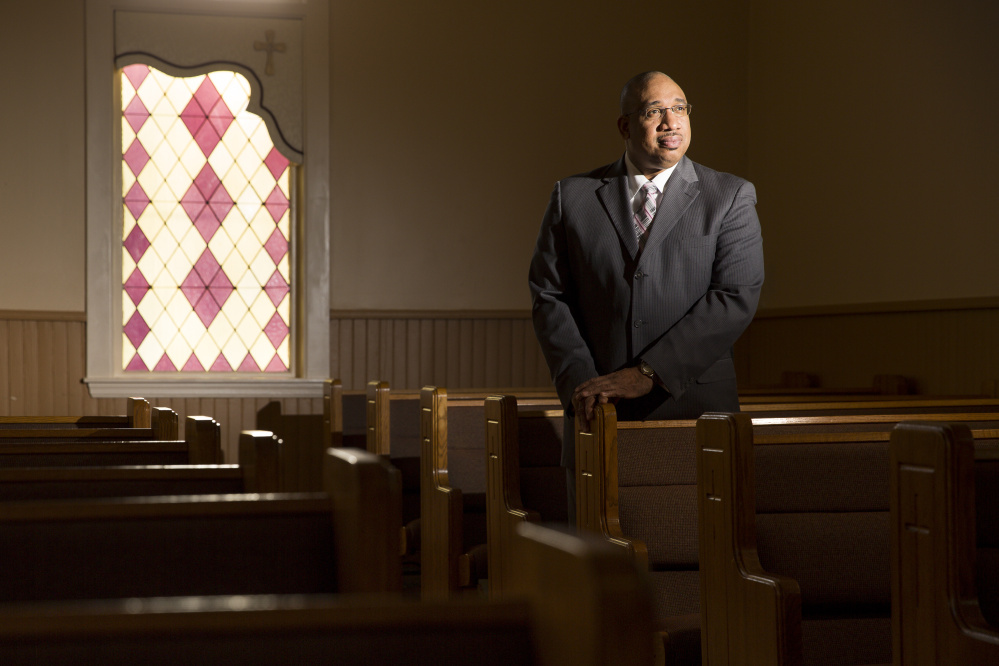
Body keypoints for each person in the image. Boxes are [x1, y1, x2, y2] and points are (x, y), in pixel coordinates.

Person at [528, 70, 764, 518]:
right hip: (597, 412)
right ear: (625, 125)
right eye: (654, 111)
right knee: (602, 566)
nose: (670, 122)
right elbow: (548, 295)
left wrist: (649, 373)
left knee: (699, 552)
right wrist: (583, 384)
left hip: (694, 411)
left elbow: (735, 295)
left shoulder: (730, 196)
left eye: (680, 108)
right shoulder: (572, 197)